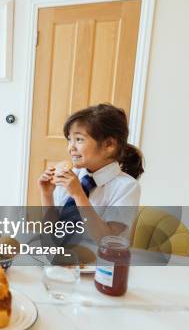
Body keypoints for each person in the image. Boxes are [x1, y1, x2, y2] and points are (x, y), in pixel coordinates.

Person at [38, 103, 144, 243]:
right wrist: (47, 195)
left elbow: (107, 239)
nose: (71, 148)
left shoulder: (127, 187)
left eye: (79, 139)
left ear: (109, 145)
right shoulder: (71, 176)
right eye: (70, 140)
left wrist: (78, 194)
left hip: (99, 263)